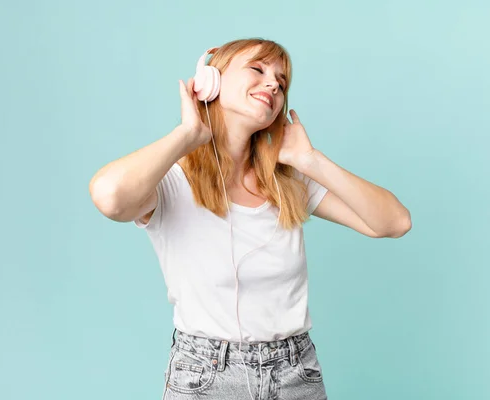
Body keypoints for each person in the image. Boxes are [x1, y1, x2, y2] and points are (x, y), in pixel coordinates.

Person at [89, 38, 411, 400]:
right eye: (258, 70)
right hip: (205, 377)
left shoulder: (285, 182)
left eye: (281, 81)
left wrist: (310, 161)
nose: (273, 84)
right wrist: (187, 136)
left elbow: (394, 222)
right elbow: (109, 197)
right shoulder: (173, 181)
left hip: (295, 373)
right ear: (211, 80)